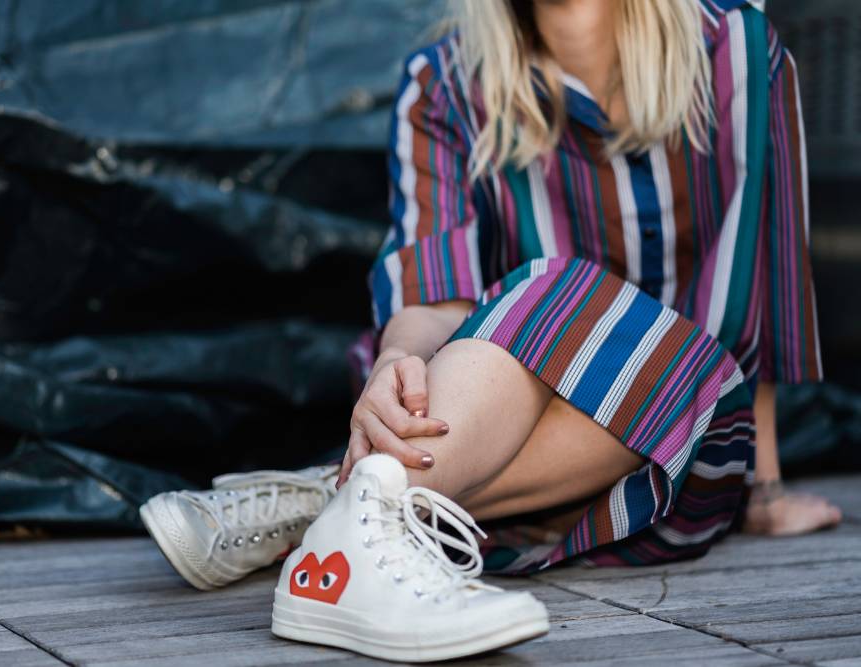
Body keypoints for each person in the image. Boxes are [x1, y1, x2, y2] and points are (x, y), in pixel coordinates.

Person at [141, 0, 842, 661]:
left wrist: (766, 486)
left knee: (650, 341)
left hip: (677, 455)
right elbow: (432, 294)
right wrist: (398, 361)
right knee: (551, 288)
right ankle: (367, 533)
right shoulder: (442, 84)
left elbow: (764, 271)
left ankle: (337, 498)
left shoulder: (739, 50)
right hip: (488, 448)